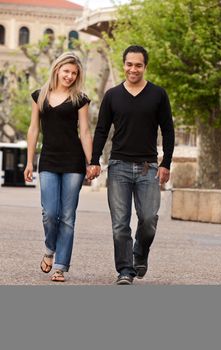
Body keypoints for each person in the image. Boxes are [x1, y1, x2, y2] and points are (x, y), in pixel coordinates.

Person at [88, 45, 175, 285]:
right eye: (129, 64)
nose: (133, 69)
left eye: (138, 65)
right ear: (123, 65)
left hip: (149, 167)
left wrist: (166, 162)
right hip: (118, 167)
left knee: (148, 219)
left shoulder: (158, 94)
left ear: (145, 66)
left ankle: (140, 254)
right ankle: (125, 270)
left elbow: (168, 130)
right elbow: (102, 130)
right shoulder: (112, 96)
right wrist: (94, 160)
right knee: (120, 224)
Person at [24, 52, 92, 282]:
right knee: (50, 213)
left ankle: (60, 266)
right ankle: (48, 249)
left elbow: (84, 132)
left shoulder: (80, 99)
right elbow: (34, 130)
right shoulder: (39, 96)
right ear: (57, 69)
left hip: (73, 162)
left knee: (67, 216)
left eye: (74, 73)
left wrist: (92, 161)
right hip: (49, 160)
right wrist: (29, 161)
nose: (70, 76)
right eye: (67, 71)